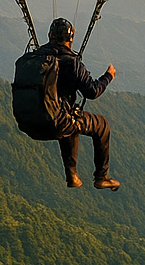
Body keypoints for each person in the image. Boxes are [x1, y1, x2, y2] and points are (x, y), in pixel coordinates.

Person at [43, 17, 120, 191]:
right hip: (56, 121)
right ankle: (102, 177)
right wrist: (108, 76)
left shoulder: (34, 57)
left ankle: (72, 176)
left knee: (70, 119)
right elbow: (92, 92)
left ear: (49, 36)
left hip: (29, 121)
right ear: (70, 39)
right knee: (102, 125)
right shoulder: (71, 62)